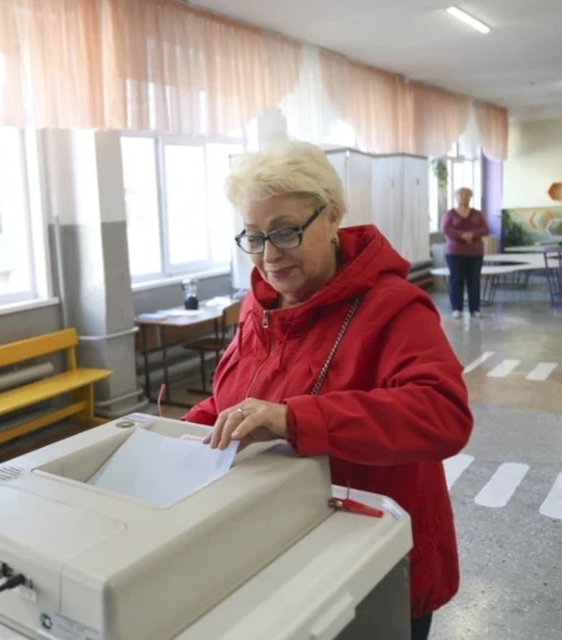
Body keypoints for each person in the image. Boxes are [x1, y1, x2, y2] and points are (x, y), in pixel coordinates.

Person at [186, 141, 473, 640]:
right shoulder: (263, 304)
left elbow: (442, 413)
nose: (269, 256)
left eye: (285, 232)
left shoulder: (394, 307)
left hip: (371, 558)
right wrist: (177, 435)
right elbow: (237, 400)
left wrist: (295, 419)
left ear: (333, 216)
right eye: (253, 237)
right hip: (279, 547)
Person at [441, 187, 490, 319]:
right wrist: (461, 235)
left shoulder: (478, 214)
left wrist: (472, 234)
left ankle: (475, 309)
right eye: (461, 195)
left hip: (475, 253)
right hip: (455, 252)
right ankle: (457, 308)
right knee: (456, 280)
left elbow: (485, 228)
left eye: (467, 195)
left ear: (470, 197)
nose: (464, 197)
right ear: (456, 197)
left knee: (474, 280)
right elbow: (445, 229)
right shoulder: (450, 214)